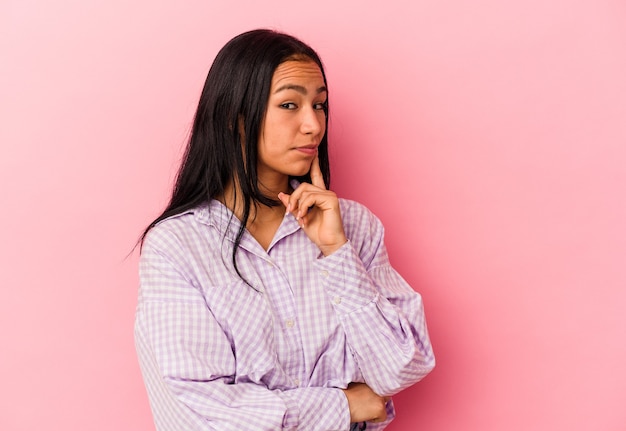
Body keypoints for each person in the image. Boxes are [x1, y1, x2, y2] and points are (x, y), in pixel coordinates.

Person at [135, 29, 435, 431]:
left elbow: (401, 368)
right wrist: (343, 405)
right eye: (290, 104)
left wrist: (336, 252)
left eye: (320, 105)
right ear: (234, 117)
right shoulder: (178, 245)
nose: (313, 125)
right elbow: (202, 411)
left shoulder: (354, 227)